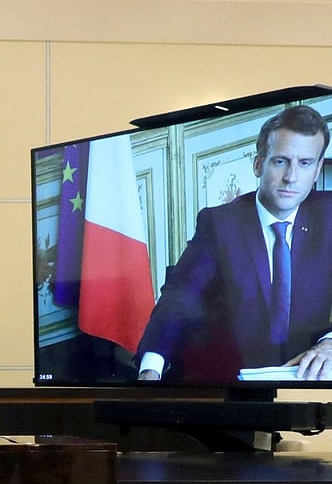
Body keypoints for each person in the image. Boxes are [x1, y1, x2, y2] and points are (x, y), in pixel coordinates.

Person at [136, 105, 332, 382]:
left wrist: (330, 343)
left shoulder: (329, 217)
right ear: (258, 164)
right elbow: (179, 299)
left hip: (309, 385)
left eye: (305, 163)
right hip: (237, 388)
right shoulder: (220, 224)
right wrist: (151, 369)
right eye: (280, 161)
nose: (292, 177)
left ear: (317, 170)